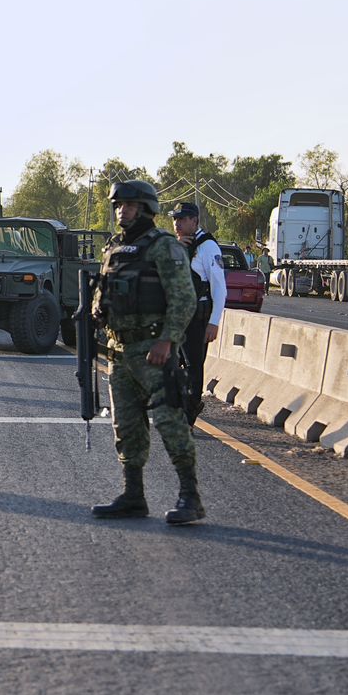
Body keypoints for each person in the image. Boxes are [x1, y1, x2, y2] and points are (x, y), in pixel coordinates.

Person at [90, 181, 203, 525]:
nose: (122, 211)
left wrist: (167, 341)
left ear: (146, 209)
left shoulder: (163, 247)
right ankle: (133, 495)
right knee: (125, 426)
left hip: (154, 350)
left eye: (129, 206)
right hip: (120, 351)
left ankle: (190, 496)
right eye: (119, 206)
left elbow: (184, 299)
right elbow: (104, 290)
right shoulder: (114, 248)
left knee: (170, 422)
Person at [169, 200, 225, 424]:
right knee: (173, 365)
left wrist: (214, 322)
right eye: (175, 219)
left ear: (195, 221)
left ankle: (189, 412)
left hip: (196, 317)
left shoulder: (208, 247)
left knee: (193, 366)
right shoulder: (177, 245)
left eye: (182, 219)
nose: (178, 223)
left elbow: (219, 288)